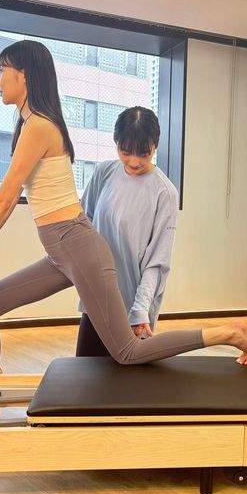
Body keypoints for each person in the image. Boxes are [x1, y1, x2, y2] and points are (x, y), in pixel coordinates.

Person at [0, 40, 247, 421]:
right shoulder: (34, 126)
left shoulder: (39, 127)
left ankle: (227, 333)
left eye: (2, 70)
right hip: (63, 251)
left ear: (24, 75)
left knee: (127, 352)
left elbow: (5, 198)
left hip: (77, 247)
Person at [76, 106, 177, 356]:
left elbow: (157, 263)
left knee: (126, 377)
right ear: (116, 142)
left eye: (144, 153)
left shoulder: (164, 192)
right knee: (85, 371)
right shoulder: (104, 173)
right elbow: (84, 222)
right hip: (97, 296)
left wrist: (140, 309)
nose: (134, 161)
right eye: (125, 151)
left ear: (155, 146)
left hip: (133, 307)